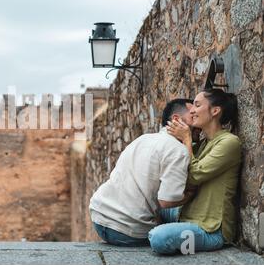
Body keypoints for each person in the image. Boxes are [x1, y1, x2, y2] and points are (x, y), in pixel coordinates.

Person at [89, 99, 197, 246]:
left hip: (99, 218)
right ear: (177, 120)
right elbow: (167, 201)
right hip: (126, 231)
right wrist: (191, 194)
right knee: (181, 234)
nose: (197, 120)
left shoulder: (143, 139)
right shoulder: (178, 151)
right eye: (192, 116)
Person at [148, 88, 241, 254]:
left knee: (158, 238)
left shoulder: (229, 143)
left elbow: (193, 175)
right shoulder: (203, 144)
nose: (192, 110)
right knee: (153, 202)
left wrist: (186, 139)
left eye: (197, 105)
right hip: (185, 216)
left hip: (211, 230)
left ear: (215, 111)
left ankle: (171, 233)